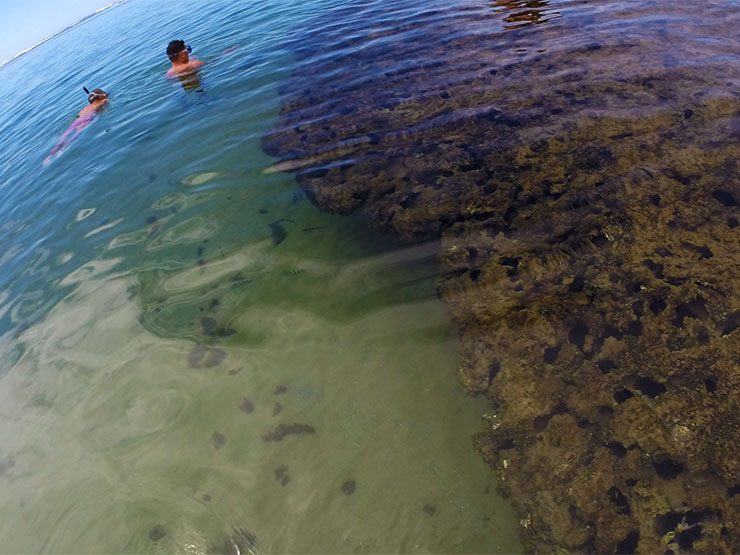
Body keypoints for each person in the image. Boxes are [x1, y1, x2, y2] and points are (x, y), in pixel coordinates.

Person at [44, 88, 109, 165]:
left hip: (77, 120)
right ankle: (62, 150)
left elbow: (77, 116)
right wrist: (105, 98)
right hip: (87, 118)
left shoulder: (86, 107)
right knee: (76, 134)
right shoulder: (103, 101)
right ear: (100, 96)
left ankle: (48, 157)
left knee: (64, 136)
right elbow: (106, 102)